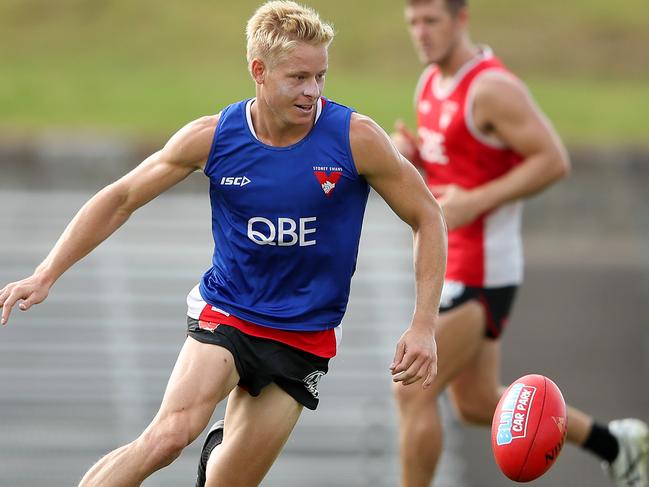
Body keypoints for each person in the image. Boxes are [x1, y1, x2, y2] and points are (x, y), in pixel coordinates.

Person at [0, 2, 447, 486]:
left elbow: (428, 216)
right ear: (259, 70)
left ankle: (218, 455)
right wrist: (44, 274)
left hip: (305, 335)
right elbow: (121, 198)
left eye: (320, 76)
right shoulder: (214, 137)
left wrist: (423, 325)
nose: (312, 92)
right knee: (169, 436)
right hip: (228, 312)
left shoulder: (356, 139)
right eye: (297, 77)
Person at [390, 1, 649, 486]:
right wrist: (417, 157)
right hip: (453, 261)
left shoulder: (491, 88)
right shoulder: (429, 84)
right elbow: (461, 170)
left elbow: (553, 160)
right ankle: (616, 443)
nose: (421, 33)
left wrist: (477, 202)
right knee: (477, 402)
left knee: (413, 389)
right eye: (413, 23)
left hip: (485, 268)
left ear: (461, 19)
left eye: (432, 22)